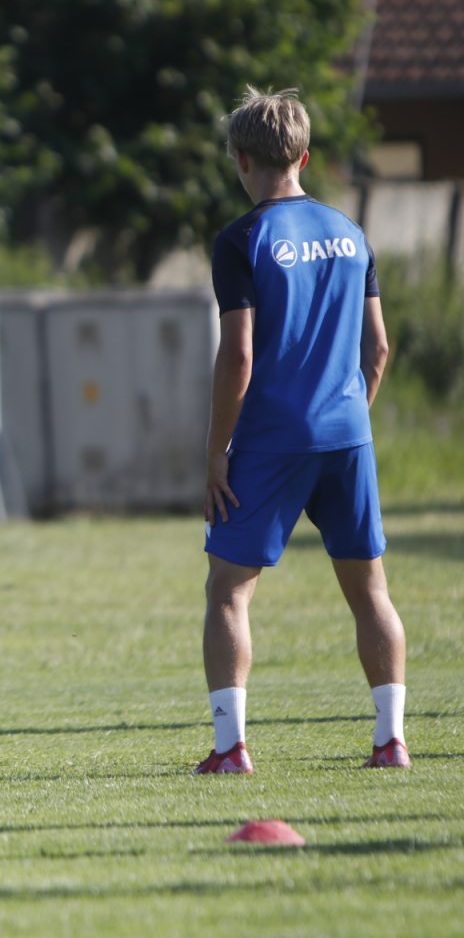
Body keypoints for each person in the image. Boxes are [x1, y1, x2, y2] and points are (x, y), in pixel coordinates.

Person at [197, 86, 407, 774]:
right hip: (347, 434)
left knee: (229, 589)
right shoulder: (352, 233)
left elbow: (239, 356)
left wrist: (217, 452)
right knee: (370, 591)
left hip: (272, 438)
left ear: (241, 159)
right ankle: (391, 742)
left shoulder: (241, 240)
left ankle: (230, 749)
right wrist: (348, 415)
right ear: (305, 157)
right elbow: (378, 348)